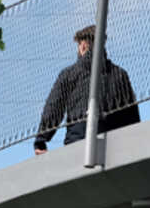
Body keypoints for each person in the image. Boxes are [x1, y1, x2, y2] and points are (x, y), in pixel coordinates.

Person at [34, 25, 139, 153]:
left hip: (77, 140)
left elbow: (54, 107)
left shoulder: (69, 74)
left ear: (83, 45)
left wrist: (41, 139)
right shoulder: (120, 74)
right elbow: (131, 116)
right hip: (112, 144)